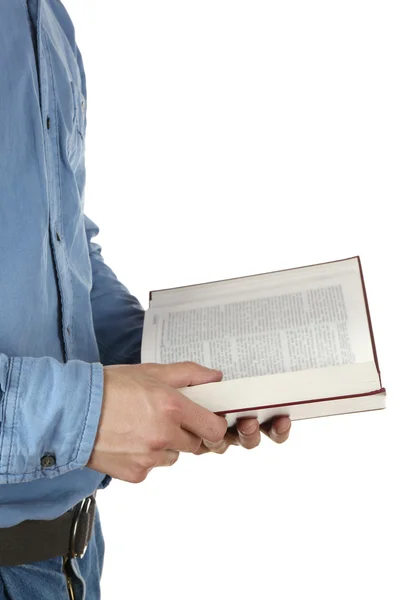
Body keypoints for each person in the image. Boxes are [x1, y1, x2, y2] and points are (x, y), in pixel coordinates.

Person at [0, 1, 291, 598]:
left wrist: (168, 362)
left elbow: (58, 242)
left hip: (65, 557)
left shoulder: (45, 18)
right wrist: (84, 415)